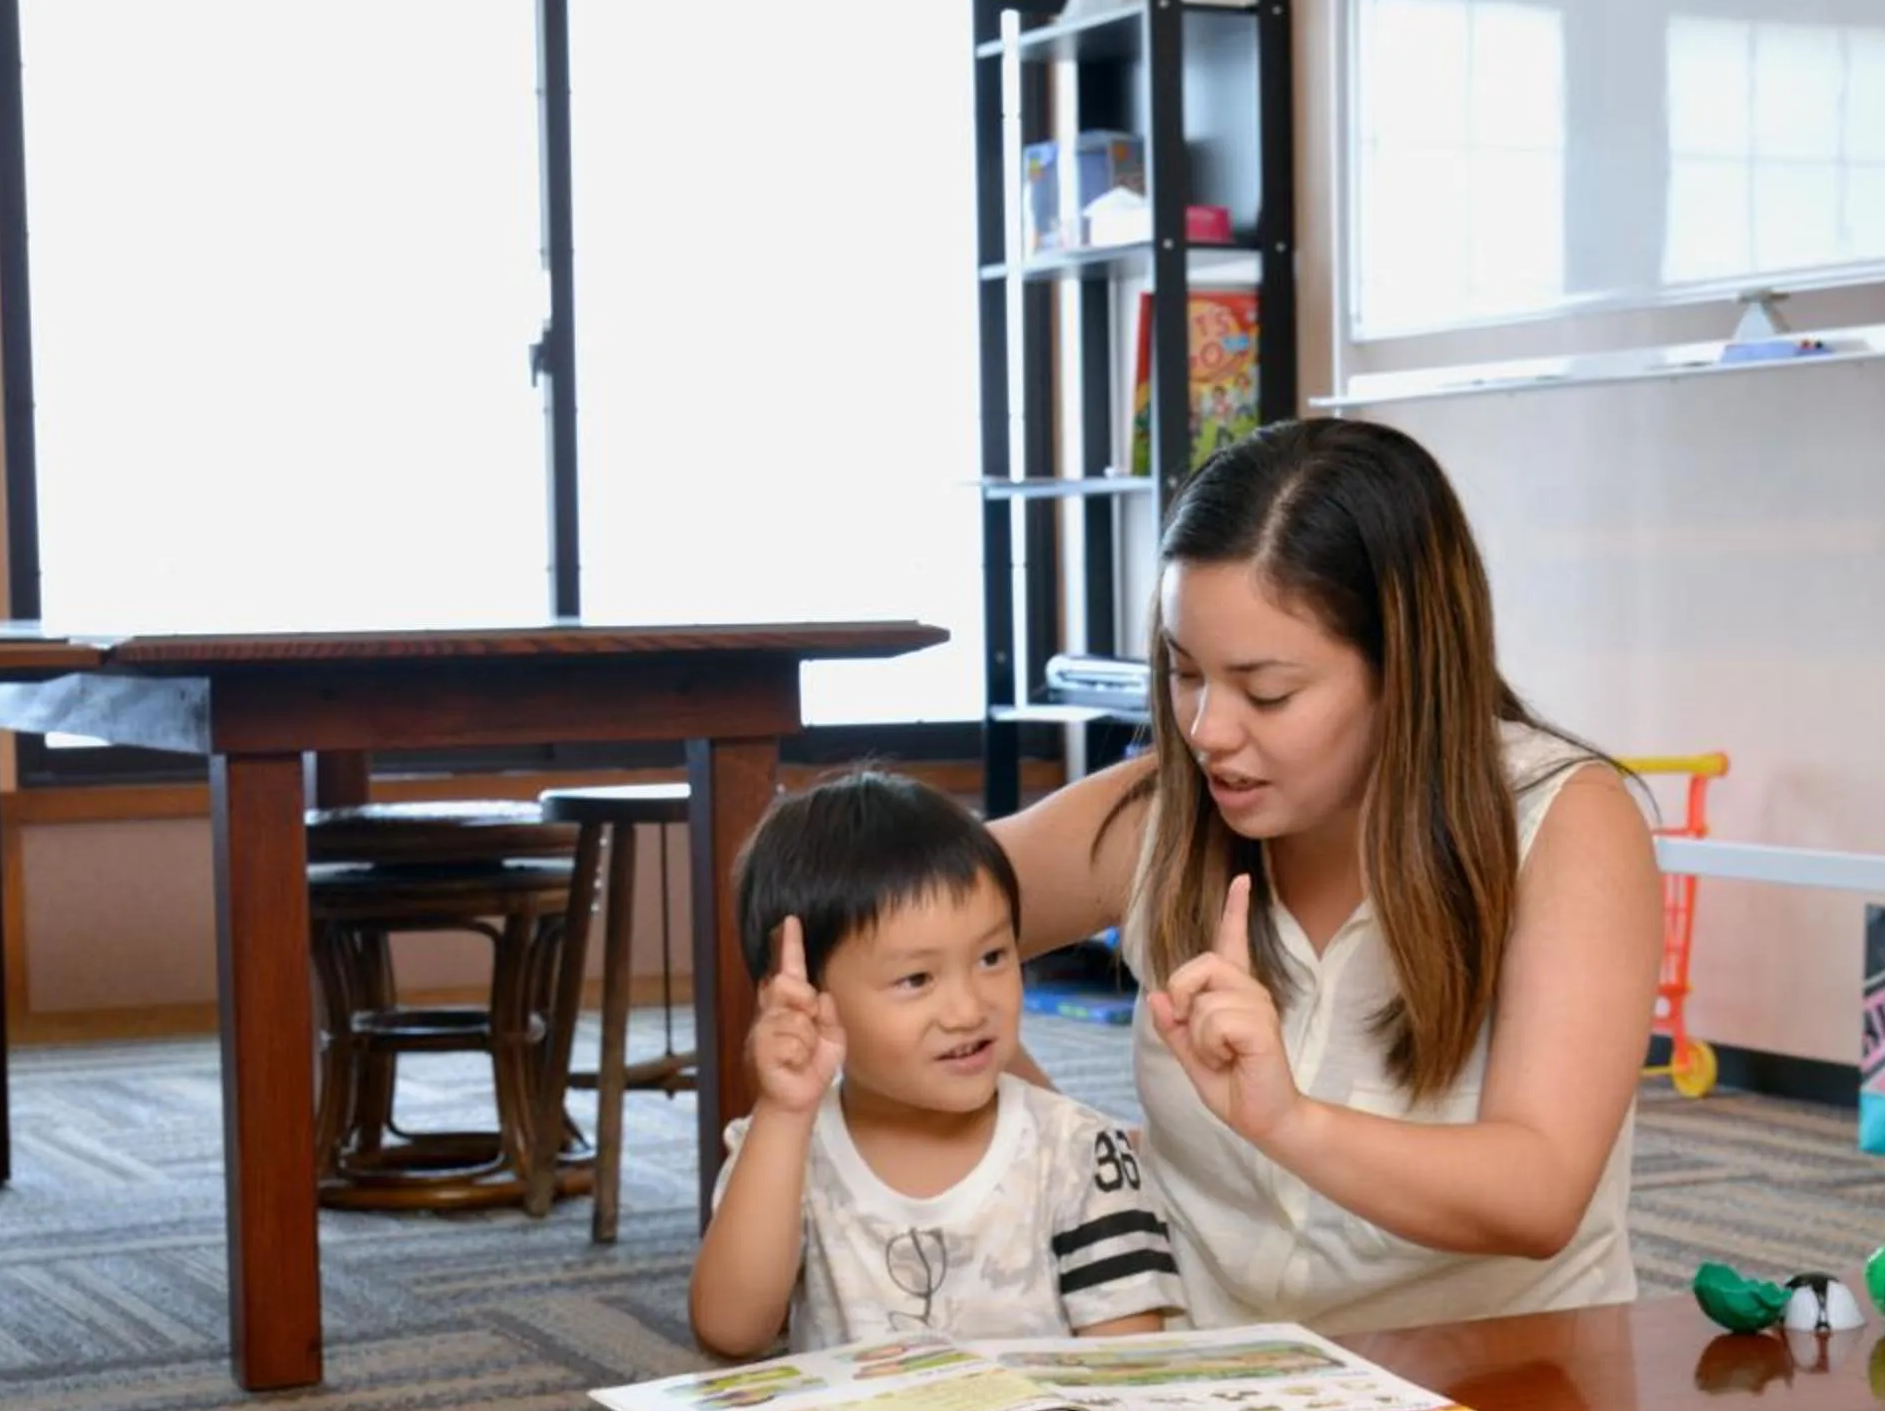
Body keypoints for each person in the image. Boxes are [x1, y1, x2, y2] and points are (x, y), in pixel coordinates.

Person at [991, 417, 1664, 1335]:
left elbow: (1540, 1194)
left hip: (1497, 1396)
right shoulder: (1160, 812)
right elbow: (877, 919)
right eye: (1185, 673)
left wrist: (1290, 1121)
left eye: (1267, 692)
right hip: (1205, 1391)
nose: (1207, 730)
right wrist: (1068, 1156)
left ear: (1407, 670)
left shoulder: (1565, 822)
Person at [688, 770, 1185, 1358]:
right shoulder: (783, 1150)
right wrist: (784, 1113)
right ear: (806, 996)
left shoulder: (1080, 1152)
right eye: (917, 978)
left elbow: (1134, 1371)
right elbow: (729, 1332)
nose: (968, 1008)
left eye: (993, 956)